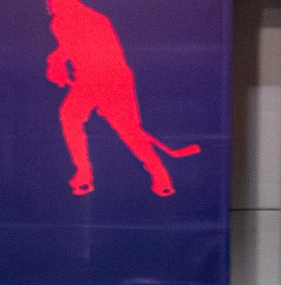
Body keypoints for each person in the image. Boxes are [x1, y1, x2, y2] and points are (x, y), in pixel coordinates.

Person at [46, 0, 201, 198]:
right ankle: (83, 173)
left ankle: (160, 175)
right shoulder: (58, 23)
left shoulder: (95, 21)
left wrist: (65, 66)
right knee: (69, 117)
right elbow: (67, 47)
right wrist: (55, 62)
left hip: (114, 79)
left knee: (129, 131)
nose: (51, 6)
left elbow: (101, 55)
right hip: (87, 81)